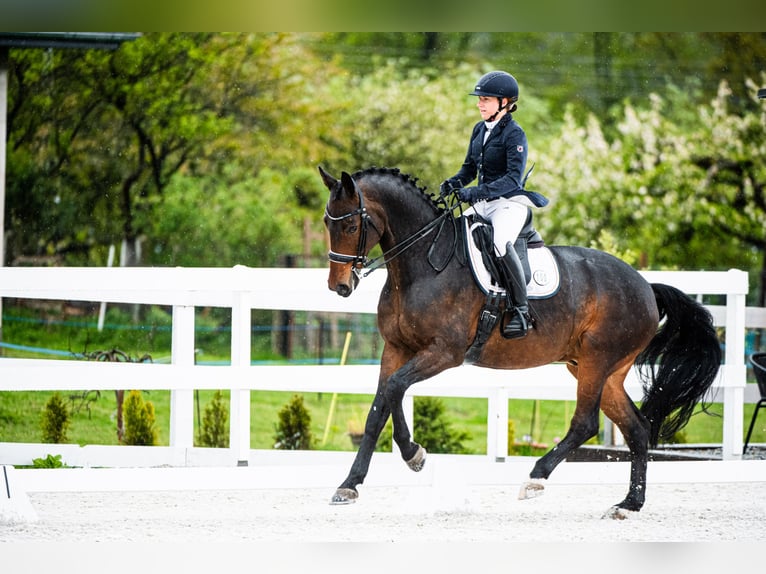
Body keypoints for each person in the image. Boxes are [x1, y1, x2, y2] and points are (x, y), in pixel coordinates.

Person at [440, 70, 548, 339]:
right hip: (484, 201)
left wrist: (475, 193)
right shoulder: (479, 129)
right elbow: (468, 169)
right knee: (450, 232)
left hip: (509, 203)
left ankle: (520, 309)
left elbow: (513, 179)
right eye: (480, 99)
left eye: (485, 99)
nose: (480, 103)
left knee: (500, 243)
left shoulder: (515, 134)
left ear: (505, 103)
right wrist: (454, 183)